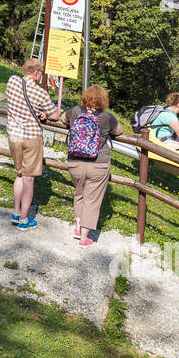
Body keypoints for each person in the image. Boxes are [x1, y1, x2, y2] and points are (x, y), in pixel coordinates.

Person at [4, 57, 61, 230]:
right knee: (29, 180)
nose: (41, 75)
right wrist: (44, 113)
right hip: (31, 138)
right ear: (36, 73)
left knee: (20, 174)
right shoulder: (41, 93)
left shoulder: (12, 82)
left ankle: (15, 213)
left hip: (13, 136)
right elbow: (55, 116)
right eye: (41, 73)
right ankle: (23, 220)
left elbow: (18, 103)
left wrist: (37, 112)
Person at [63, 85, 123, 247]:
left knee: (79, 193)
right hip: (98, 163)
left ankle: (77, 227)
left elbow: (62, 118)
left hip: (75, 161)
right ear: (104, 100)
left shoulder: (75, 111)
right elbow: (119, 131)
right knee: (92, 200)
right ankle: (84, 237)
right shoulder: (107, 117)